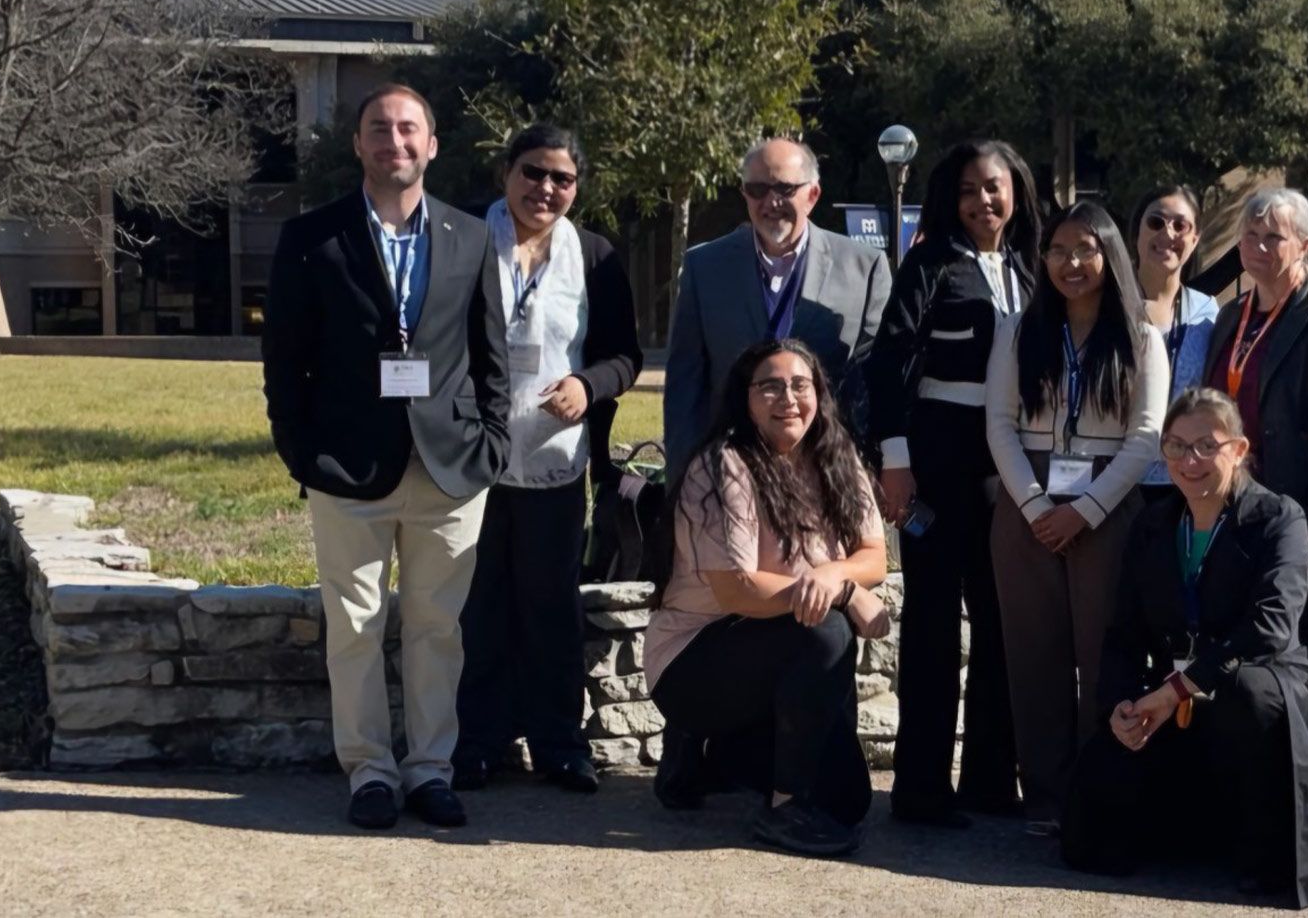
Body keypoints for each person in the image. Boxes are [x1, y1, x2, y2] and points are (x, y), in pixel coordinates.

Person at [261, 83, 509, 830]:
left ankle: (430, 770)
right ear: (358, 144)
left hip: (450, 468)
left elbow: (491, 356)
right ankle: (369, 772)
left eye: (407, 129)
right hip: (347, 467)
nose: (393, 141)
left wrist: (492, 443)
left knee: (438, 628)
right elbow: (284, 359)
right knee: (355, 627)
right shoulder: (312, 237)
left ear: (431, 144)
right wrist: (301, 454)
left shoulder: (472, 237)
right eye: (378, 128)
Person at [1061, 389, 1308, 909]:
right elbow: (1124, 634)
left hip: (1277, 689)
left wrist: (1176, 689)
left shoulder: (1280, 518)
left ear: (1239, 449)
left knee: (1245, 692)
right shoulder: (1153, 525)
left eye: (1207, 445)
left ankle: (1264, 853)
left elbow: (1270, 628)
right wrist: (1120, 706)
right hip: (1178, 694)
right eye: (1177, 446)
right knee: (1095, 818)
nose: (1190, 460)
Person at [644, 339, 893, 858]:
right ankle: (784, 807)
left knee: (847, 800)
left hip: (773, 656)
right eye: (770, 387)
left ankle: (706, 758)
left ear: (819, 393)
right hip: (695, 661)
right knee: (825, 629)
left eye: (801, 385)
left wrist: (834, 576)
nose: (788, 399)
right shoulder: (724, 466)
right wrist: (843, 593)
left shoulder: (836, 456)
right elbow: (736, 589)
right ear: (746, 398)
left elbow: (873, 556)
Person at [451, 124, 642, 794]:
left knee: (551, 607)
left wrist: (589, 385)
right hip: (467, 458)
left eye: (562, 178)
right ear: (506, 172)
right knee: (477, 605)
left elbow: (625, 356)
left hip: (555, 461)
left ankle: (560, 744)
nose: (546, 188)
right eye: (533, 172)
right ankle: (476, 743)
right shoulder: (463, 237)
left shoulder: (594, 256)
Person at [865, 139, 1042, 826]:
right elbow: (888, 362)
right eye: (968, 190)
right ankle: (920, 789)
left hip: (1010, 462)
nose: (982, 201)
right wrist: (895, 458)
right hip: (939, 455)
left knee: (1001, 620)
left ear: (1016, 190)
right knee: (934, 623)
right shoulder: (930, 263)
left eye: (993, 187)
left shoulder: (1029, 266)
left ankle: (992, 779)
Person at [985, 201, 1170, 834]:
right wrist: (1038, 507)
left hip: (1108, 504)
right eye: (1058, 251)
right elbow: (999, 424)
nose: (1071, 263)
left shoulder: (1141, 336)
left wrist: (1085, 512)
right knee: (1033, 655)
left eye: (1085, 250)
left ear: (1110, 255)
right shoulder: (1017, 330)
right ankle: (1044, 797)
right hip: (1026, 503)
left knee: (1104, 655)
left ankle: (1099, 793)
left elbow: (1146, 438)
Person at [664, 137, 892, 482]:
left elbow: (877, 384)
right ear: (744, 194)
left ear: (812, 194)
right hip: (729, 477)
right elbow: (685, 389)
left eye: (785, 189)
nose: (771, 202)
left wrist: (870, 471)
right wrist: (682, 482)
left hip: (828, 475)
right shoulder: (704, 268)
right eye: (758, 190)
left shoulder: (865, 268)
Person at [1202, 187, 1308, 589]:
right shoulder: (1229, 315)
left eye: (1274, 237)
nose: (1259, 246)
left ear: (1304, 246)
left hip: (1294, 505)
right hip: (1227, 497)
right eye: (1250, 235)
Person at [1130, 185, 1219, 510]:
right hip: (1114, 481)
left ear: (1195, 239)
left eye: (1180, 225)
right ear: (1136, 233)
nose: (1167, 233)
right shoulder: (1109, 307)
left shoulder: (1208, 313)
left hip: (1184, 482)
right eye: (1156, 222)